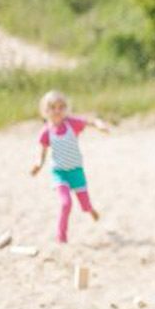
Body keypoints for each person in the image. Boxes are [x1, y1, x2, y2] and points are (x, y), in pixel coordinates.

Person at [30, 90, 108, 243]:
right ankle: (61, 236)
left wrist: (100, 125)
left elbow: (91, 121)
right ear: (45, 111)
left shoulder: (72, 123)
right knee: (66, 203)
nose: (57, 111)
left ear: (66, 109)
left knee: (84, 204)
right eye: (53, 108)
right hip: (59, 173)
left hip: (76, 171)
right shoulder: (46, 132)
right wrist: (38, 165)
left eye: (61, 107)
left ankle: (90, 209)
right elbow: (42, 154)